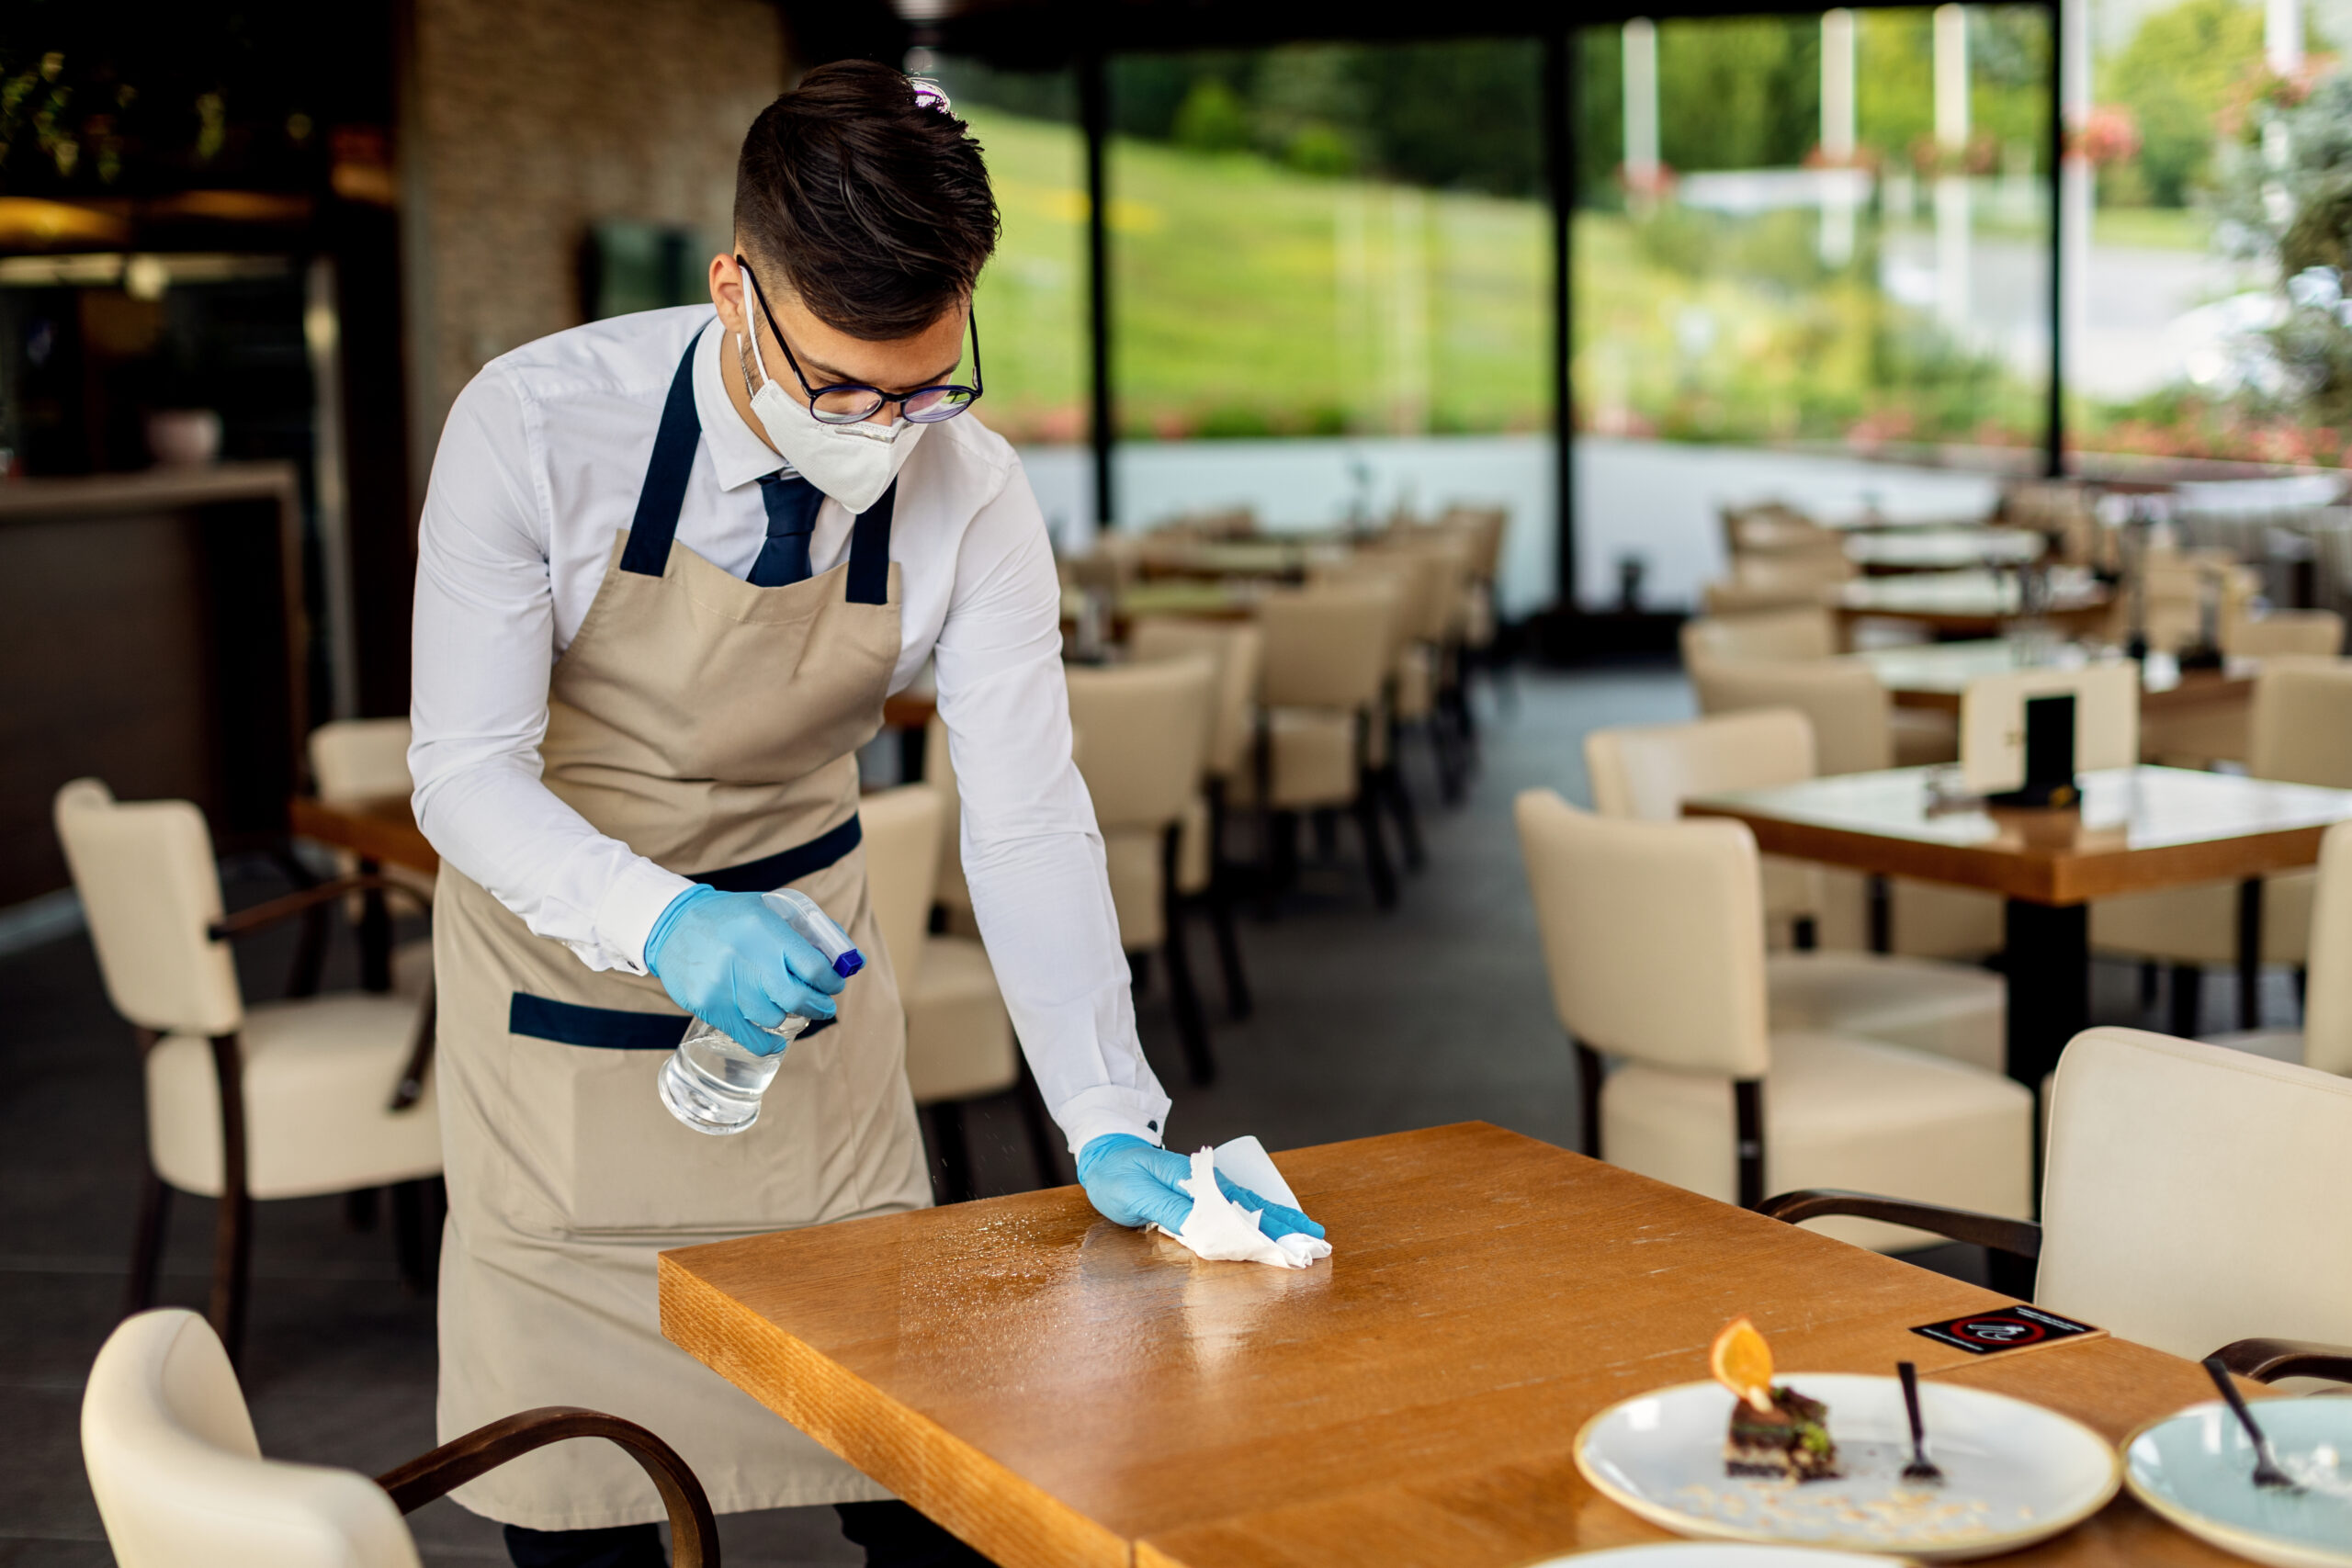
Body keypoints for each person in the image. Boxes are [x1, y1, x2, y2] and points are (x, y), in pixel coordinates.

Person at [407, 61, 1322, 1568]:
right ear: (735, 290)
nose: (886, 430)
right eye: (841, 387)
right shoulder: (536, 429)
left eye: (926, 383)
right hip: (562, 986)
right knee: (584, 1509)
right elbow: (464, 775)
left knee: (927, 1483)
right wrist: (666, 921)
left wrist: (1104, 1110)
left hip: (813, 1001)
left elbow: (1026, 816)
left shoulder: (974, 489)